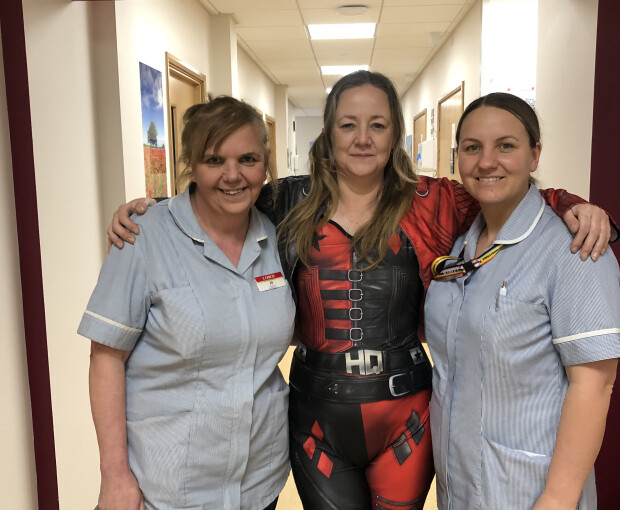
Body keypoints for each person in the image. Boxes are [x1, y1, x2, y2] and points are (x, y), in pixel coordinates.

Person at [107, 72, 615, 510]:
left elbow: (503, 187)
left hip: (407, 413)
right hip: (315, 412)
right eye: (348, 124)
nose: (362, 138)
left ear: (395, 133)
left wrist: (570, 202)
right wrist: (149, 210)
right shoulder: (286, 200)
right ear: (328, 133)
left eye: (377, 125)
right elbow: (219, 190)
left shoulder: (434, 201)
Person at [78, 96, 296, 510]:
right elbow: (105, 358)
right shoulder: (142, 238)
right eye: (214, 160)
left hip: (260, 482)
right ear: (191, 165)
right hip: (169, 486)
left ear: (266, 164)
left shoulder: (278, 237)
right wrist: (115, 476)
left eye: (248, 159)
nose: (232, 175)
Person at [424, 92, 620, 509]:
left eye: (506, 146)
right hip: (458, 483)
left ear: (535, 155)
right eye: (472, 148)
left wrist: (558, 498)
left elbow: (595, 383)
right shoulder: (461, 244)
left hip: (529, 490)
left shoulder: (575, 249)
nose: (486, 162)